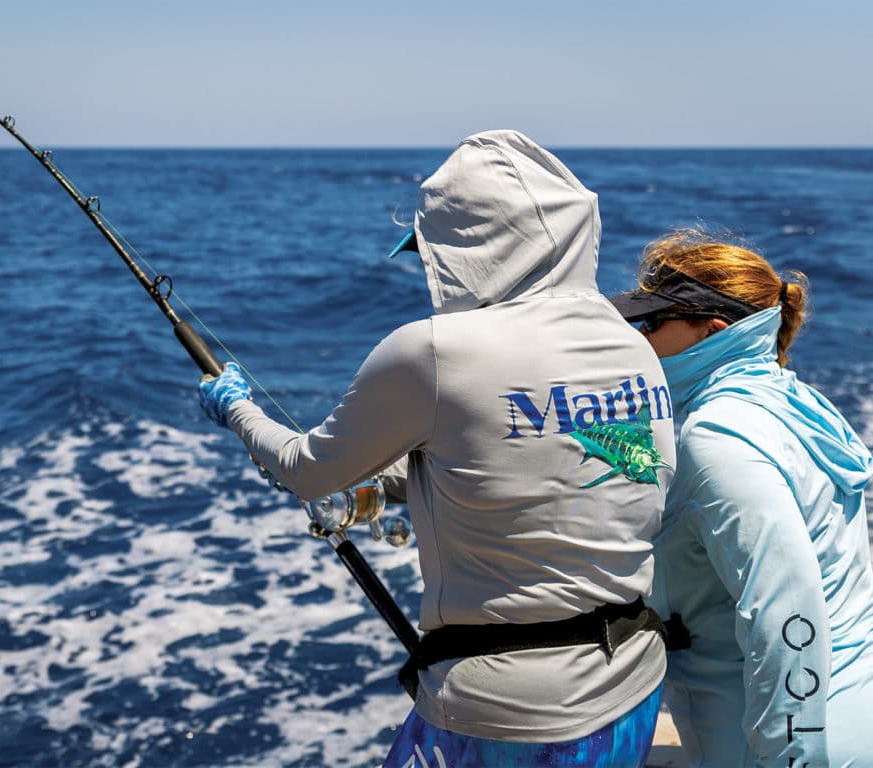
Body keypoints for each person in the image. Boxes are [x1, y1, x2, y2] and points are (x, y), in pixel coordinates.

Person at [200, 130, 677, 767]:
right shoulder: (632, 344)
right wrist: (379, 488)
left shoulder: (434, 348)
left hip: (505, 716)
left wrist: (236, 409)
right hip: (631, 683)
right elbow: (550, 454)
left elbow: (303, 471)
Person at [608, 229, 873, 767]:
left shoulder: (718, 435)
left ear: (714, 330)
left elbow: (786, 613)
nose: (640, 338)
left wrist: (791, 757)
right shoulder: (797, 401)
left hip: (786, 742)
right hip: (847, 711)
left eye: (654, 323)